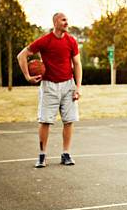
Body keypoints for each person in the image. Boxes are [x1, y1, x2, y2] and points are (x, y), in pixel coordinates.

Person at [17, 12, 82, 168]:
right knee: (45, 121)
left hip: (68, 85)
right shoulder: (45, 41)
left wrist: (78, 87)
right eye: (63, 20)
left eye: (67, 19)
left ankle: (66, 154)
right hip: (49, 86)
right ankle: (42, 155)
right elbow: (21, 56)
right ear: (55, 22)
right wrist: (27, 76)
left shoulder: (71, 41)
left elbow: (77, 64)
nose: (67, 22)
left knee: (69, 121)